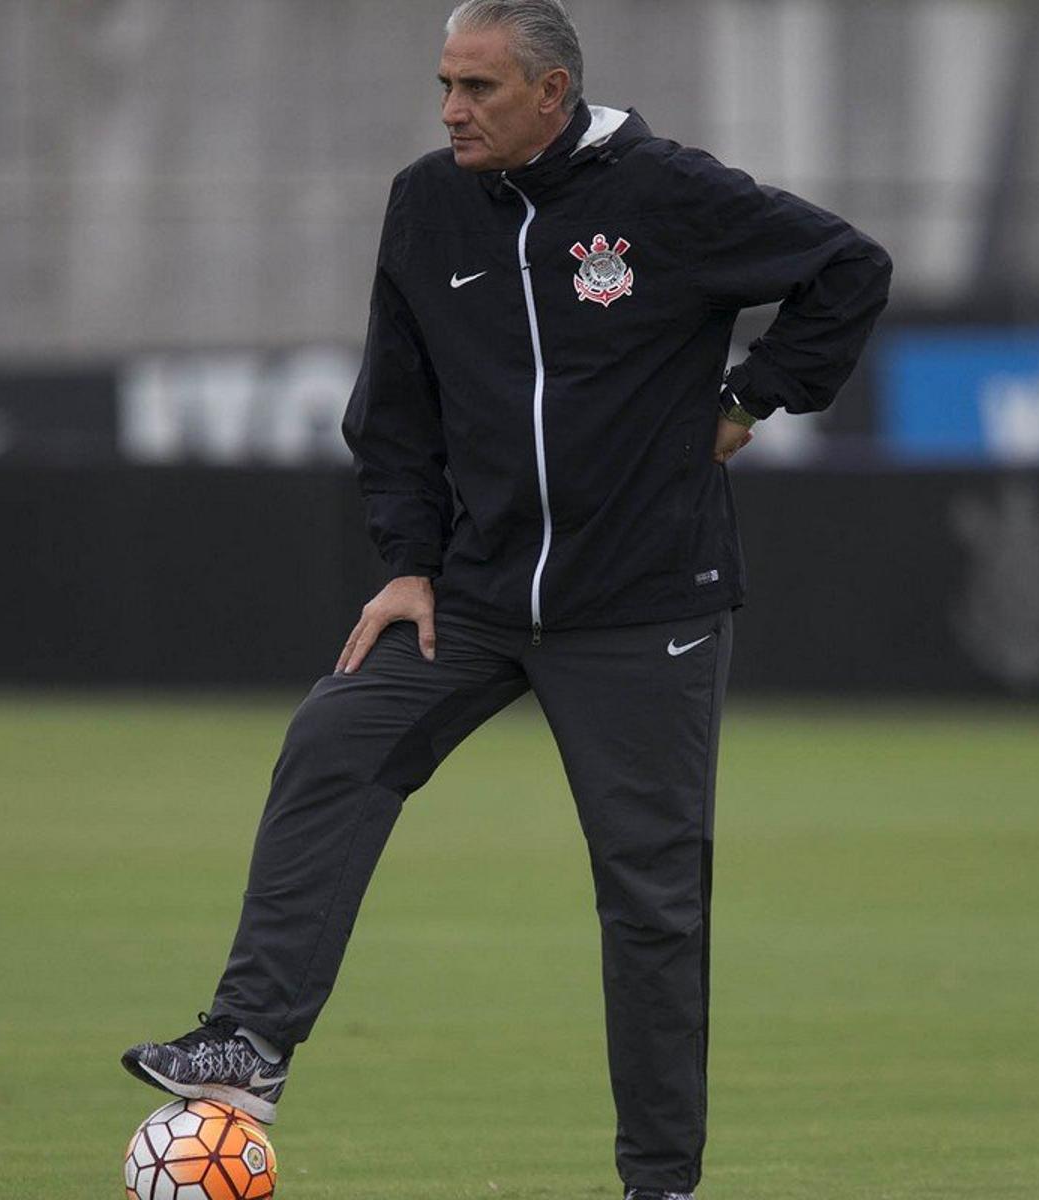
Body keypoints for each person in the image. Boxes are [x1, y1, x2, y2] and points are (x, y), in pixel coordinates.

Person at [122, 2, 891, 1196]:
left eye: (477, 87)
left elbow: (850, 267)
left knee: (651, 903)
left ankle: (658, 1184)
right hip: (473, 598)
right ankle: (250, 1043)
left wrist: (753, 394)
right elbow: (395, 407)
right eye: (443, 84)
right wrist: (405, 563)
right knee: (336, 736)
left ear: (553, 91)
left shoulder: (666, 193)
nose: (450, 110)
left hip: (645, 606)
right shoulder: (427, 204)